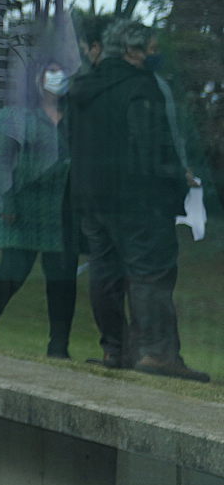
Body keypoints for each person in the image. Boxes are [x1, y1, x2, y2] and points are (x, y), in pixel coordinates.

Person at [67, 21, 207, 379]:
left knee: (105, 273)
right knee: (151, 275)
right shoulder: (141, 88)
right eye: (152, 48)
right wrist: (174, 187)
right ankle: (157, 354)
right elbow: (151, 151)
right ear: (133, 50)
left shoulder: (84, 87)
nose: (156, 54)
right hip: (140, 201)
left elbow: (74, 145)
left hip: (93, 199)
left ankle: (115, 349)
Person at [0, 60, 79, 356]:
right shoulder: (16, 116)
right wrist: (5, 199)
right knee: (13, 270)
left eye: (63, 73)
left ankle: (59, 345)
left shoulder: (74, 116)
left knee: (62, 276)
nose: (57, 79)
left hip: (63, 206)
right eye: (51, 72)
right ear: (37, 79)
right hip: (23, 205)